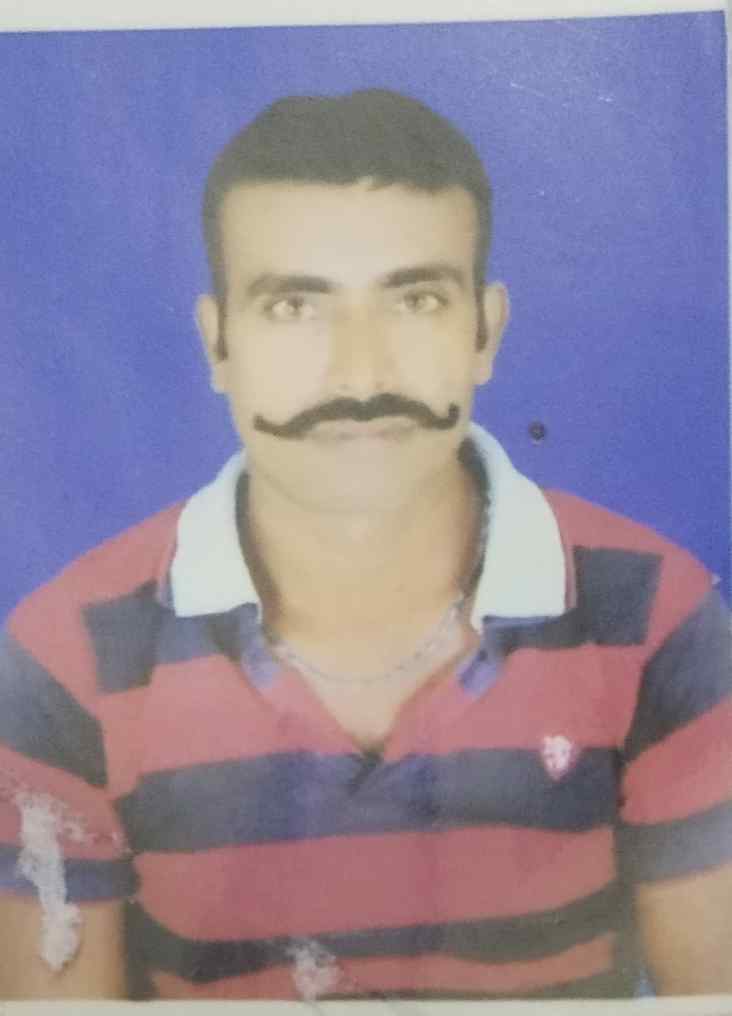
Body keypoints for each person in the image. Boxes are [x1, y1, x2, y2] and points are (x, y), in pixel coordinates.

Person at [0, 89, 730, 1002]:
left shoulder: (659, 618)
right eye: (294, 307)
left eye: (416, 299)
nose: (359, 373)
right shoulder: (63, 655)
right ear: (218, 346)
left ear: (485, 332)